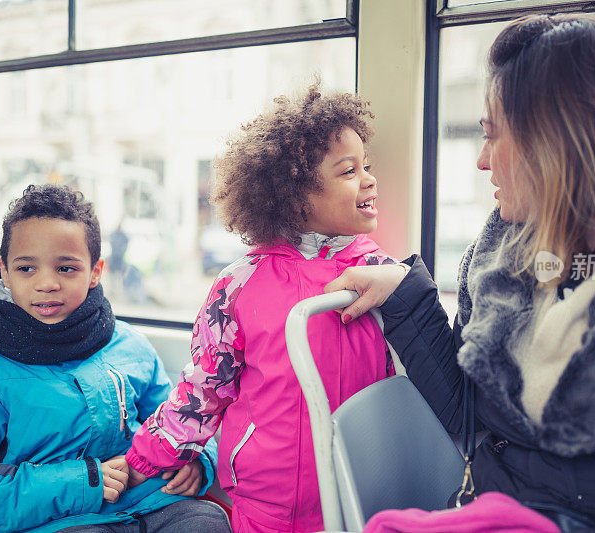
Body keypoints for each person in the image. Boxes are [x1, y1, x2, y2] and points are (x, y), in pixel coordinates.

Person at [325, 14, 595, 532]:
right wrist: (409, 299)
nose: (483, 162)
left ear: (555, 143)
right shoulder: (503, 256)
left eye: (492, 137)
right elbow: (474, 421)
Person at [124, 84, 399, 533]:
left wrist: (404, 280)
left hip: (363, 489)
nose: (370, 180)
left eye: (366, 166)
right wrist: (145, 458)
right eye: (349, 172)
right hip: (269, 501)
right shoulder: (240, 284)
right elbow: (204, 389)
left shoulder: (383, 274)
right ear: (296, 197)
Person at [0, 184, 228, 533]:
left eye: (66, 268)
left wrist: (196, 461)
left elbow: (180, 423)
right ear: (4, 272)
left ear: (95, 271)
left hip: (152, 501)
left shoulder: (130, 345)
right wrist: (80, 482)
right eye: (26, 269)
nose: (47, 283)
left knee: (209, 523)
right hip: (53, 520)